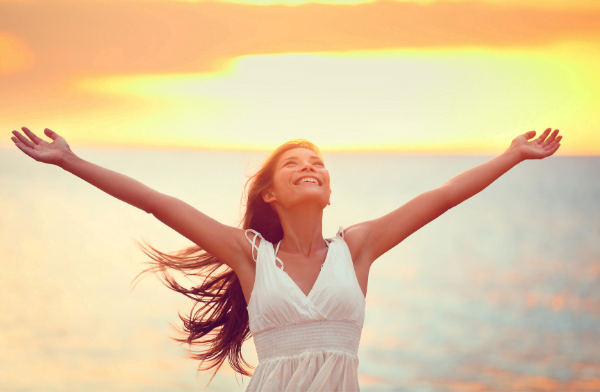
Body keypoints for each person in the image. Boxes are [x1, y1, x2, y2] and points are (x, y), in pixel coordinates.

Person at [10, 127, 562, 391]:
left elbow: (442, 196)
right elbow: (159, 203)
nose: (310, 166)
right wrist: (70, 162)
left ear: (328, 187)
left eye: (318, 162)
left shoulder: (357, 247)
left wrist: (513, 155)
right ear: (270, 193)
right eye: (294, 162)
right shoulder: (251, 258)